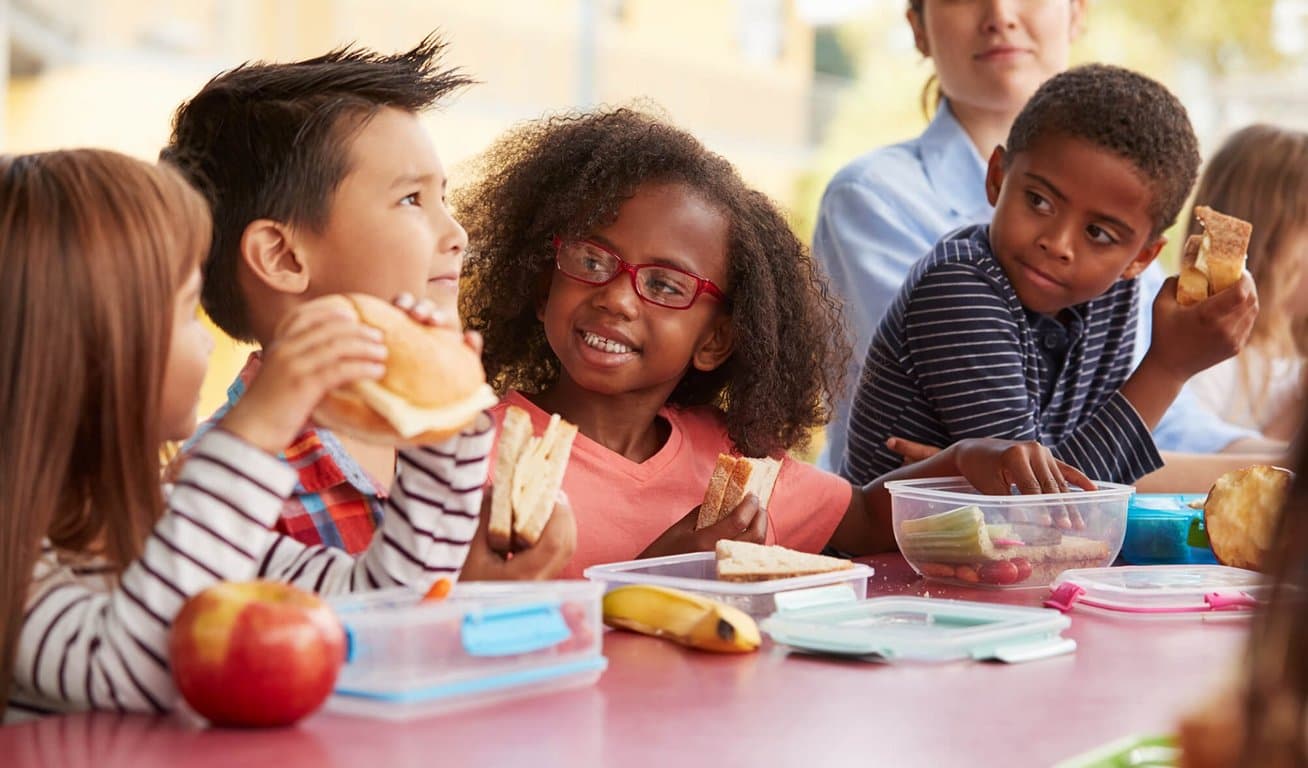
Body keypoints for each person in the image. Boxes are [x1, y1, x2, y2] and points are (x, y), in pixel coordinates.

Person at [456, 107, 1092, 578]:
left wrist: (965, 460)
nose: (617, 297)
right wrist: (651, 576)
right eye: (592, 262)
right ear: (543, 285)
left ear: (717, 339)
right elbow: (451, 630)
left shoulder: (730, 459)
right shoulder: (470, 459)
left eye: (665, 283)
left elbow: (868, 519)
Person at [0, 150, 491, 721]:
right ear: (88, 353)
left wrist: (443, 418)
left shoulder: (160, 521)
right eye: (188, 311)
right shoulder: (17, 558)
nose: (208, 342)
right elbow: (134, 668)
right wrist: (254, 430)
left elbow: (387, 607)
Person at [814, 0, 1281, 481]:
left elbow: (1071, 474)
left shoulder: (1112, 290)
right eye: (1039, 201)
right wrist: (1166, 368)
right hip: (893, 553)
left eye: (1098, 233)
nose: (1058, 243)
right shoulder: (954, 282)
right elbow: (1045, 505)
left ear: (1140, 259)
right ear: (997, 179)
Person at [160, 35, 574, 577]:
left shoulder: (458, 441)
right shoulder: (216, 505)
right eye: (410, 199)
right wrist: (467, 592)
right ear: (284, 256)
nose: (456, 234)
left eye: (442, 198)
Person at [1186, 125, 1308, 442]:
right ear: (1269, 238)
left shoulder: (1293, 356)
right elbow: (1189, 455)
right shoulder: (1209, 353)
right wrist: (1297, 407)